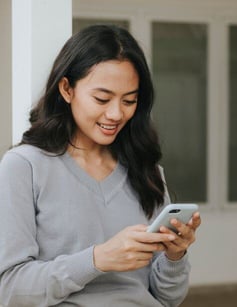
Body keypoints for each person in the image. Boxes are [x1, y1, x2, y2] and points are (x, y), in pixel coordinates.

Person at [0, 25, 201, 307]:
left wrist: (174, 256)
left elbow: (168, 298)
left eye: (129, 100)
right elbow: (10, 290)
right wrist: (97, 259)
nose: (117, 113)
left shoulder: (146, 171)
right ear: (67, 89)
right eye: (102, 99)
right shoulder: (23, 167)